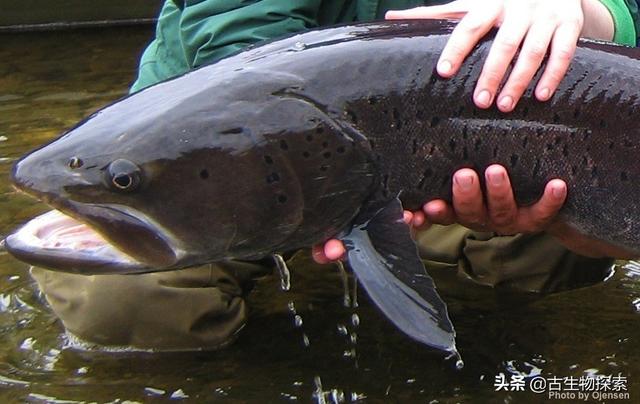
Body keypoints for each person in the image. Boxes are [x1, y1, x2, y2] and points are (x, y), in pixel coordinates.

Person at [31, 0, 640, 351]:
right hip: (202, 160)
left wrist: (590, 11)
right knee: (122, 301)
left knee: (550, 251)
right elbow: (242, 59)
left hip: (421, 159)